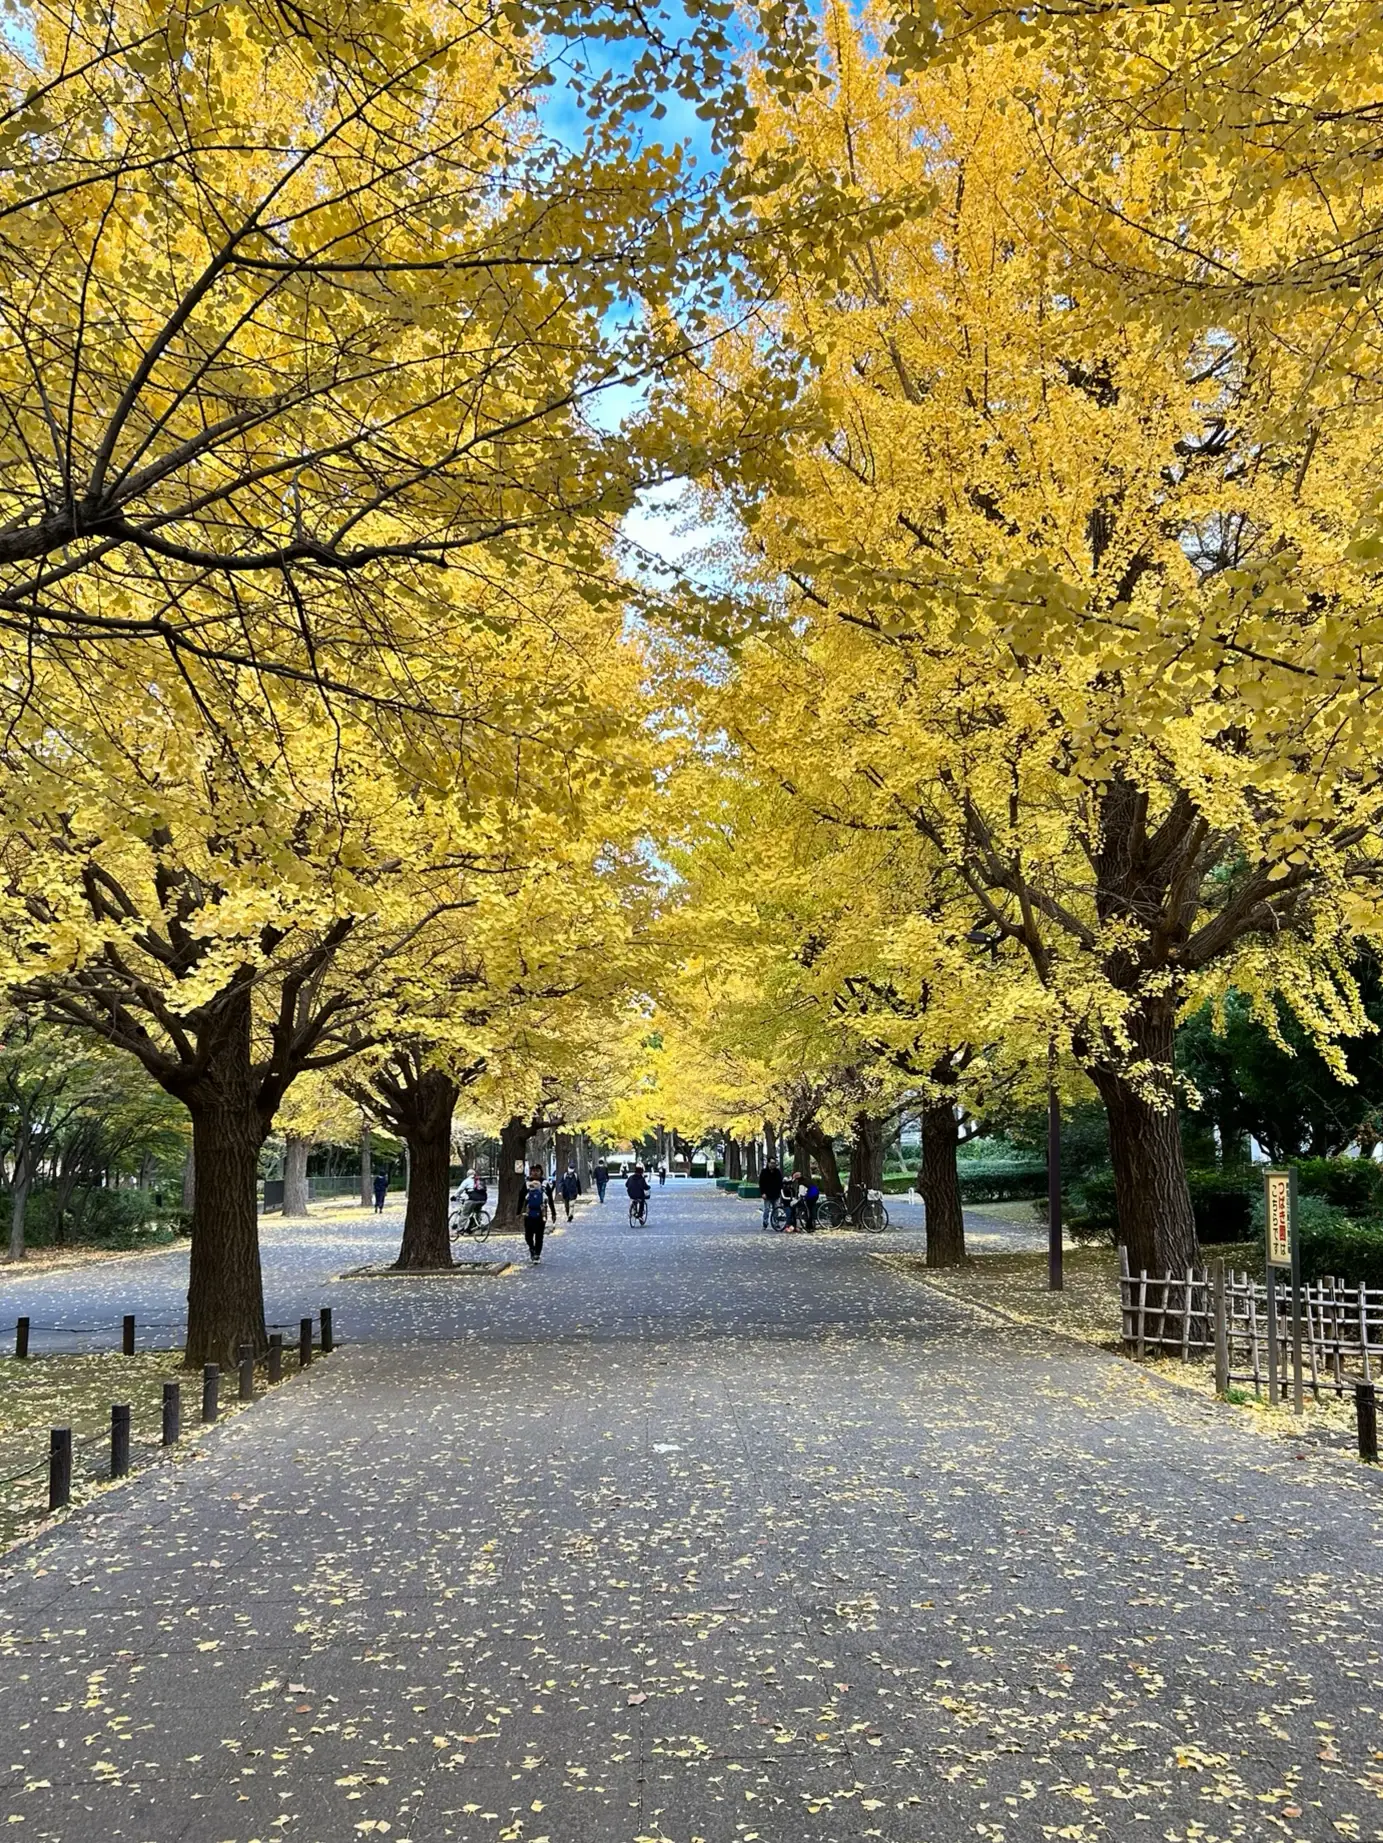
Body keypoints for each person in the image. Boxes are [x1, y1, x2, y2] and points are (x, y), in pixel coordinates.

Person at [519, 1162, 547, 1263]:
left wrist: (553, 1213)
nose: (535, 1173)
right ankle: (532, 1247)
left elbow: (550, 1200)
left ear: (541, 1172)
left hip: (541, 1214)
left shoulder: (545, 1183)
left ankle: (537, 1255)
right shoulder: (526, 1184)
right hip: (528, 1214)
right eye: (533, 1171)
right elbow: (521, 1197)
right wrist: (519, 1212)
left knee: (539, 1235)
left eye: (537, 1171)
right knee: (528, 1235)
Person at [457, 1168, 487, 1232]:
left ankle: (460, 1229)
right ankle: (477, 1224)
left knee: (465, 1213)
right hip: (483, 1199)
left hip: (472, 1199)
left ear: (467, 1175)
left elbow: (460, 1190)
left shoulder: (467, 1180)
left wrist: (455, 1196)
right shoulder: (479, 1180)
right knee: (476, 1211)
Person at [758, 1156, 783, 1229]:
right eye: (771, 1163)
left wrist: (780, 1191)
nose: (773, 1164)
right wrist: (762, 1193)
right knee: (767, 1209)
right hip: (767, 1194)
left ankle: (776, 1223)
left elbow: (780, 1183)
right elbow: (761, 1183)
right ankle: (765, 1223)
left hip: (776, 1194)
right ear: (768, 1163)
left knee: (776, 1209)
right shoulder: (764, 1172)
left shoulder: (777, 1172)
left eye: (774, 1163)